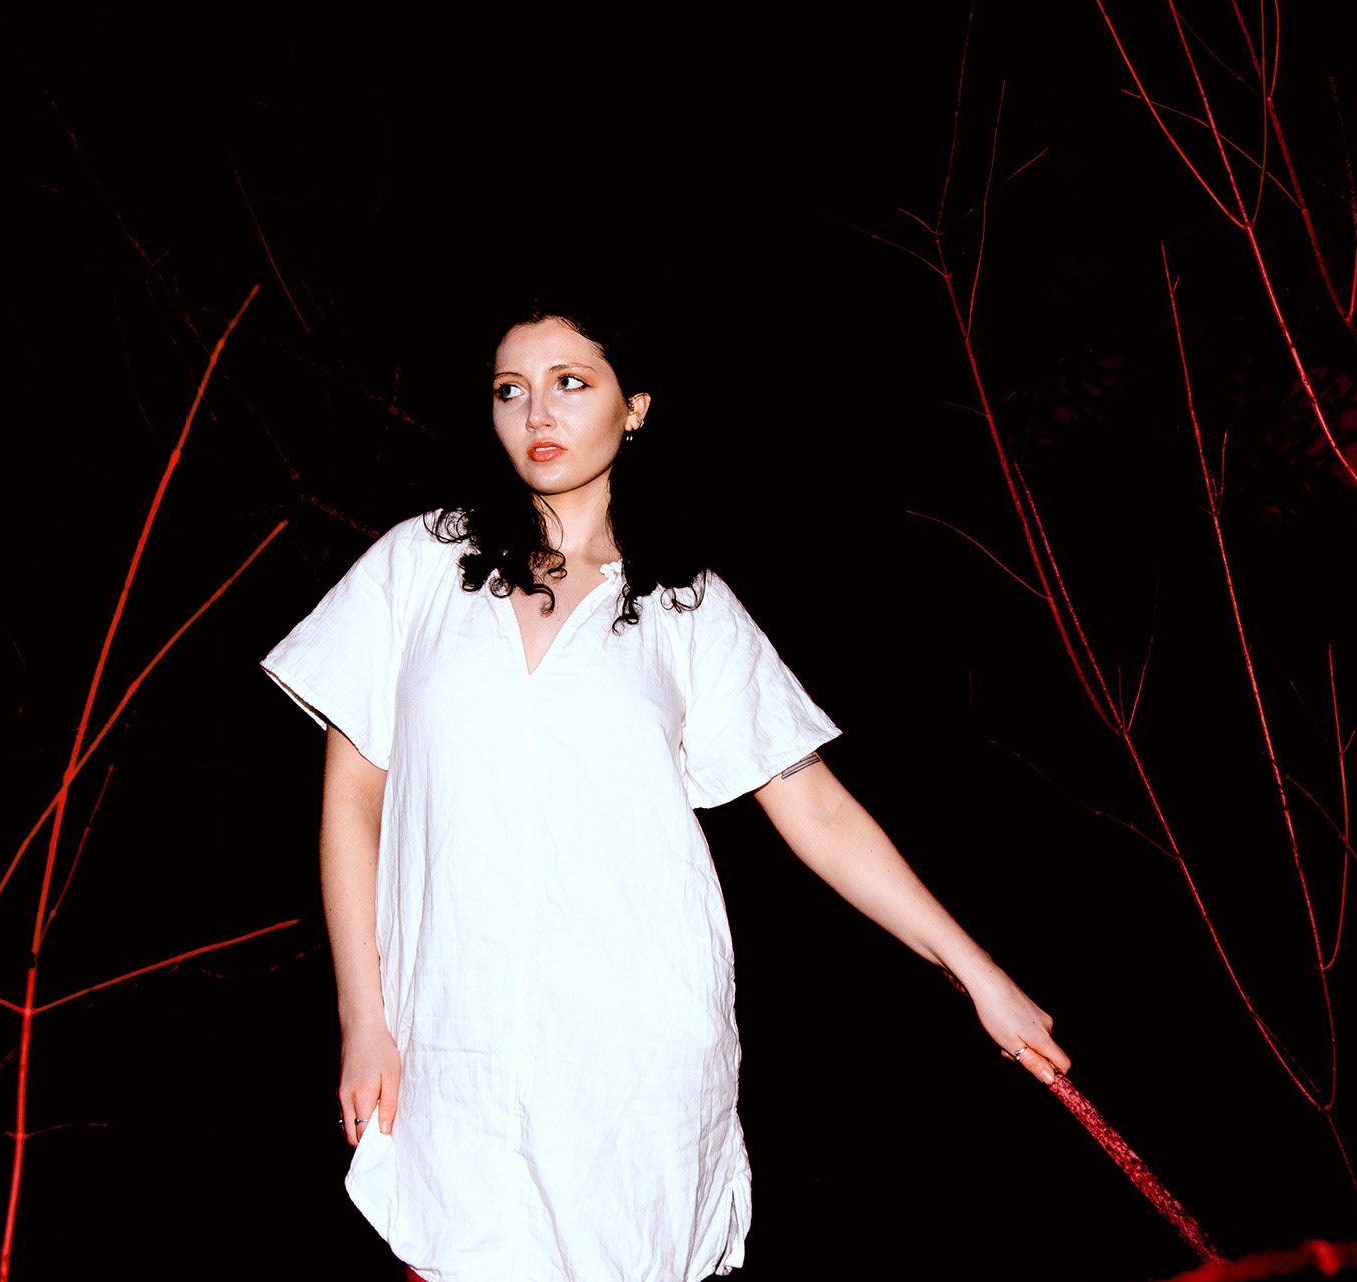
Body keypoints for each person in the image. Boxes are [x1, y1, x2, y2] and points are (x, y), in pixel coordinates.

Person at [261, 298, 1069, 1282]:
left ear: (633, 408)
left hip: (635, 1061)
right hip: (453, 1041)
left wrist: (979, 974)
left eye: (571, 383)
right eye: (511, 389)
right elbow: (353, 797)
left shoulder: (687, 607)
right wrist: (364, 1016)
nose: (537, 413)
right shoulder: (420, 564)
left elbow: (816, 809)